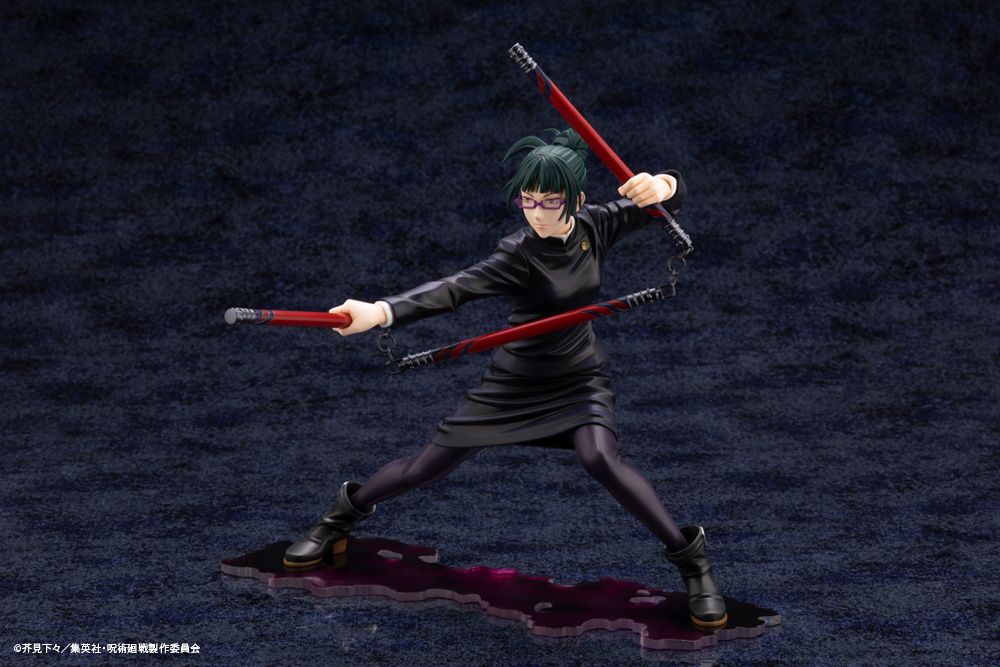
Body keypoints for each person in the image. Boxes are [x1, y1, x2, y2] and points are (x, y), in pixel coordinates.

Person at [283, 129, 728, 630]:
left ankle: (695, 565)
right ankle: (337, 520)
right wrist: (381, 311)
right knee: (423, 468)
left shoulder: (597, 223)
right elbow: (454, 288)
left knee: (600, 458)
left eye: (550, 201)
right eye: (527, 200)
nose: (536, 213)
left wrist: (662, 185)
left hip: (578, 377)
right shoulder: (518, 254)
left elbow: (670, 199)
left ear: (577, 199)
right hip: (513, 384)